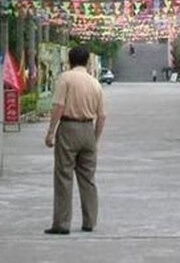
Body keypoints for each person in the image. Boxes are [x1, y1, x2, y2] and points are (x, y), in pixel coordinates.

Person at [44, 46, 106, 235]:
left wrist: (51, 132)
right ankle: (89, 221)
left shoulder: (66, 78)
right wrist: (94, 139)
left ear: (69, 61)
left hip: (69, 128)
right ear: (88, 61)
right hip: (88, 128)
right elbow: (102, 116)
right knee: (88, 179)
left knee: (64, 176)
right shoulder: (95, 83)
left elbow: (59, 106)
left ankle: (62, 223)